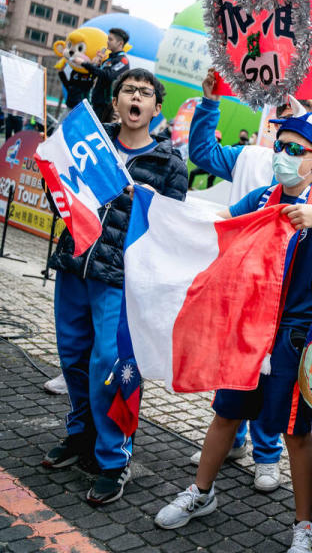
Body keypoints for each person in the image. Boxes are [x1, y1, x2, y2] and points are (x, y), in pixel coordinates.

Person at [154, 109, 312, 553]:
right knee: (226, 413)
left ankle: (306, 523)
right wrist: (159, 209)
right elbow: (218, 222)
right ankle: (200, 492)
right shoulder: (264, 198)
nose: (281, 156)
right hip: (248, 328)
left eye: (294, 150)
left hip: (292, 334)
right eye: (278, 146)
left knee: (294, 431)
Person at [43, 69, 188, 504]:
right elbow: (59, 194)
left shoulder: (168, 164)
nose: (135, 98)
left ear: (155, 108)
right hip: (73, 266)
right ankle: (80, 435)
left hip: (121, 281)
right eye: (128, 90)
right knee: (72, 356)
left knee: (111, 366)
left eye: (145, 93)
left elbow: (172, 229)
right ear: (116, 100)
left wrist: (140, 198)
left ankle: (113, 459)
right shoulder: (87, 142)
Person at [190, 68, 312, 204]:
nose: (296, 129)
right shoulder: (248, 157)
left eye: (305, 123)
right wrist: (210, 103)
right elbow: (203, 153)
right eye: (288, 120)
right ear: (276, 124)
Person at [83, 28, 131, 124]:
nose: (107, 42)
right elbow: (98, 75)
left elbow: (108, 76)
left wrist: (84, 64)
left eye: (110, 39)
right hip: (96, 101)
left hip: (107, 104)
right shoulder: (108, 59)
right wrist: (96, 64)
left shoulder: (122, 60)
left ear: (120, 43)